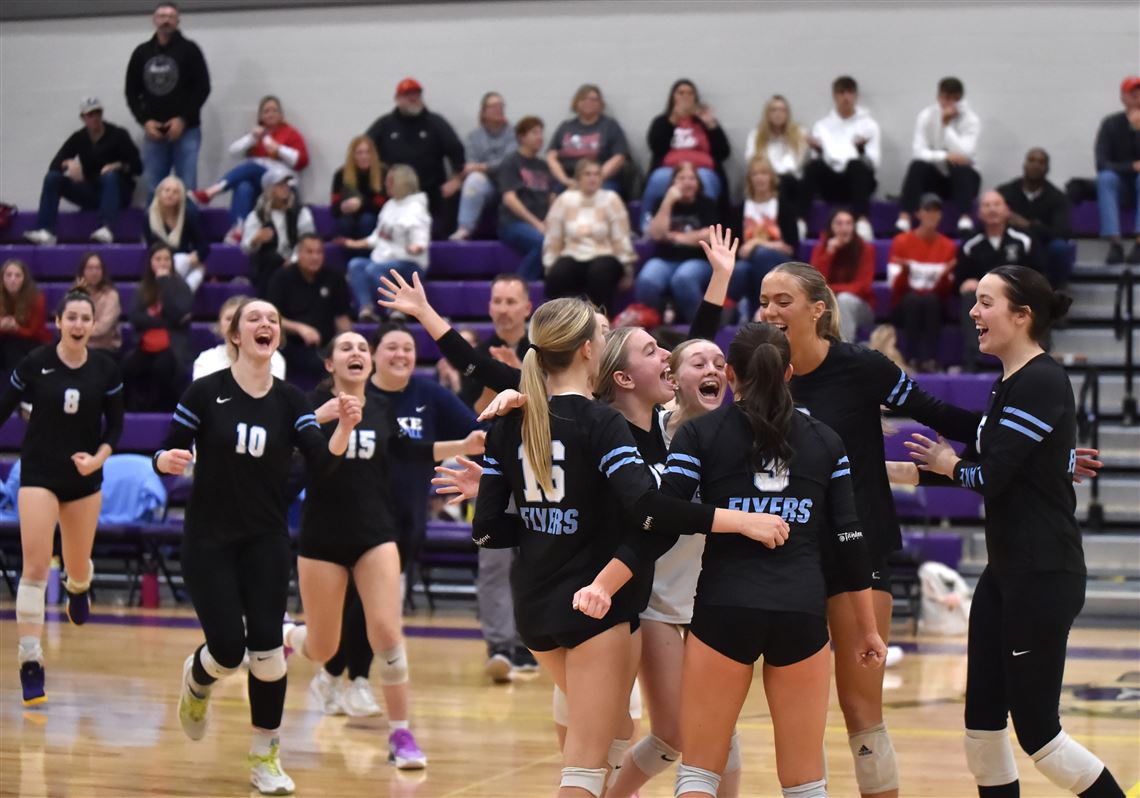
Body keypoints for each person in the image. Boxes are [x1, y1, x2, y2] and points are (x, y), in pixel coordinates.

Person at [471, 296, 790, 798]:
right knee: (586, 765)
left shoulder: (511, 422)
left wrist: (547, 526)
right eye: (601, 336)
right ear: (586, 351)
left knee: (616, 735)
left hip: (534, 604)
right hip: (603, 600)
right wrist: (740, 522)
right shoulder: (602, 423)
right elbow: (649, 509)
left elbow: (487, 529)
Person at [901, 266, 1126, 798]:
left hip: (1042, 574)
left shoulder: (1041, 380)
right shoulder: (1013, 382)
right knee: (982, 729)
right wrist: (895, 391)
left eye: (986, 303)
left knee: (1040, 736)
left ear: (1022, 315)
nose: (974, 313)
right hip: (1006, 574)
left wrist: (948, 465)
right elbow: (980, 433)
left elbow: (992, 476)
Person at [758, 261, 981, 798]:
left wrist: (1029, 442)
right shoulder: (760, 374)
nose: (769, 312)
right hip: (787, 553)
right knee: (795, 709)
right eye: (764, 301)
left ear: (818, 309)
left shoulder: (862, 367)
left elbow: (940, 413)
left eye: (782, 300)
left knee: (862, 709)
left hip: (860, 549)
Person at [657, 322, 886, 798]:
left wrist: (732, 518)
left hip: (724, 608)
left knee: (700, 771)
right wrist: (867, 628)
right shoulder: (826, 440)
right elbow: (849, 540)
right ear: (789, 371)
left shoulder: (701, 433)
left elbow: (663, 512)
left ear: (731, 373)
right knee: (805, 781)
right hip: (801, 612)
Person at [154, 298, 360, 795]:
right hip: (208, 539)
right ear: (236, 336)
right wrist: (167, 460)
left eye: (272, 319)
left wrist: (345, 429)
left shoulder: (291, 401)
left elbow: (320, 466)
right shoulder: (206, 393)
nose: (265, 324)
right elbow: (164, 447)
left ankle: (265, 756)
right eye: (254, 319)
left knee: (268, 653)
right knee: (227, 652)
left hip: (265, 538)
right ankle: (198, 678)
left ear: (277, 338)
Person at [283, 330, 484, 768]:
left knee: (388, 633)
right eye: (345, 348)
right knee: (321, 647)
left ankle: (401, 735)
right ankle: (283, 635)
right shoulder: (308, 412)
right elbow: (305, 465)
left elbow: (409, 450)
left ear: (369, 364)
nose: (355, 353)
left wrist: (462, 446)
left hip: (375, 533)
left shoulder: (380, 407)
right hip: (321, 538)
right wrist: (330, 420)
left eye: (361, 347)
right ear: (329, 364)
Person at [0, 290, 123, 706]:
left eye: (85, 318)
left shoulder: (106, 369)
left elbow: (116, 428)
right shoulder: (35, 363)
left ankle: (79, 585)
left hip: (85, 476)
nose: (77, 325)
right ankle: (30, 659)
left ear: (93, 324)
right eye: (70, 317)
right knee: (35, 566)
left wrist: (99, 459)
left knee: (76, 563)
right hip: (38, 473)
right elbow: (4, 407)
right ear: (58, 320)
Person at [23, 97, 142, 246]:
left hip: (118, 192)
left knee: (109, 176)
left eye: (98, 113)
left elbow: (138, 167)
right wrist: (68, 163)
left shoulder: (118, 134)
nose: (95, 118)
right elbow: (55, 164)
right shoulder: (79, 138)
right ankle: (46, 231)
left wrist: (118, 165)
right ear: (83, 118)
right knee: (53, 178)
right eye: (90, 115)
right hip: (92, 192)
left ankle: (106, 228)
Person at [192, 95, 310, 239]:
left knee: (251, 166)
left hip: (284, 184)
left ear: (281, 114)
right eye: (266, 111)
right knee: (243, 186)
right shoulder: (256, 136)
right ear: (260, 116)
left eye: (274, 110)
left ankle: (212, 191)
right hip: (261, 186)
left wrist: (279, 149)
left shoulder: (291, 133)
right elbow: (233, 151)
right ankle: (239, 229)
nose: (271, 114)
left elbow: (302, 160)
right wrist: (252, 138)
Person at [125, 2, 211, 195]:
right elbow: (131, 92)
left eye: (171, 16)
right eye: (162, 16)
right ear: (154, 20)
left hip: (186, 131)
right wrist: (144, 121)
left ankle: (188, 226)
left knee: (187, 188)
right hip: (154, 132)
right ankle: (152, 226)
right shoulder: (141, 53)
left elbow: (203, 88)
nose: (166, 20)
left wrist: (183, 119)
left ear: (178, 21)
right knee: (154, 189)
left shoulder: (190, 50)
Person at [366, 77, 465, 235]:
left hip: (429, 191)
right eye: (407, 95)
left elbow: (456, 150)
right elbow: (365, 148)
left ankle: (444, 243)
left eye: (416, 94)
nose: (413, 98)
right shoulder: (385, 124)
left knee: (452, 195)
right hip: (393, 192)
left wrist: (456, 178)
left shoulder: (435, 122)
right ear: (397, 99)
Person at [542, 159, 637, 311]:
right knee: (559, 274)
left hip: (604, 254)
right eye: (588, 174)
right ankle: (560, 322)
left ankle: (602, 321)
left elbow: (621, 237)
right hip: (572, 253)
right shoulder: (564, 200)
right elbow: (554, 237)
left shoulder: (611, 199)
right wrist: (550, 265)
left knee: (599, 273)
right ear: (578, 178)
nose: (593, 178)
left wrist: (628, 269)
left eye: (597, 174)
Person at [957, 191, 1035, 372]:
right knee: (969, 297)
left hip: (1016, 295)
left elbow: (1038, 272)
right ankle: (973, 359)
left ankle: (1031, 358)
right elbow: (959, 280)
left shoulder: (1024, 240)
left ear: (1007, 210)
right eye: (987, 205)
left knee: (1034, 298)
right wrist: (966, 282)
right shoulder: (970, 244)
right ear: (979, 213)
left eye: (997, 204)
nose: (992, 209)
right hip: (983, 300)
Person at [635, 162, 721, 323]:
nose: (687, 182)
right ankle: (656, 324)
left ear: (698, 183)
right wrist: (668, 202)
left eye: (692, 178)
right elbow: (656, 234)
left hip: (698, 260)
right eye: (681, 178)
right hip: (665, 259)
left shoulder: (706, 203)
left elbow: (709, 235)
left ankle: (698, 325)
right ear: (673, 183)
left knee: (683, 278)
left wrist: (675, 237)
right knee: (647, 280)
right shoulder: (662, 202)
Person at [344, 165, 431, 320]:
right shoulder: (389, 205)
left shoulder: (416, 208)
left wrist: (417, 246)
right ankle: (366, 309)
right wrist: (356, 243)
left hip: (409, 263)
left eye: (390, 181)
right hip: (383, 259)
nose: (386, 184)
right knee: (355, 265)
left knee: (373, 269)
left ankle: (397, 309)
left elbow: (420, 237)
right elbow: (378, 236)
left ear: (402, 183)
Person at [896, 77, 982, 235]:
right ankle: (904, 218)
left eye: (955, 99)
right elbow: (918, 151)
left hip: (963, 181)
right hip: (935, 179)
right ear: (938, 97)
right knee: (917, 166)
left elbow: (964, 154)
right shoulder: (926, 116)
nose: (950, 104)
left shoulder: (971, 120)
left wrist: (946, 126)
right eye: (946, 98)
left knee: (961, 167)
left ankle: (965, 219)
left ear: (961, 99)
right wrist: (944, 156)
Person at [802, 76, 881, 240]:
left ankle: (862, 222)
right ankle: (800, 221)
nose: (846, 97)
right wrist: (818, 150)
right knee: (813, 166)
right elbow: (818, 160)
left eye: (850, 93)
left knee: (856, 165)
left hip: (858, 181)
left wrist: (861, 150)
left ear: (856, 96)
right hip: (832, 182)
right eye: (841, 93)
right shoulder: (822, 125)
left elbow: (874, 162)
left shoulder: (869, 125)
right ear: (834, 96)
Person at [642, 79, 729, 228]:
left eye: (690, 93)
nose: (685, 97)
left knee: (705, 180)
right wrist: (674, 119)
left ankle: (707, 229)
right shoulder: (662, 121)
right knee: (657, 179)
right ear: (673, 97)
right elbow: (656, 147)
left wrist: (711, 125)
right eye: (681, 93)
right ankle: (646, 227)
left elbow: (723, 152)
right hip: (670, 170)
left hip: (702, 170)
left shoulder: (704, 122)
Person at [265, 234, 351, 381]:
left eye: (319, 252)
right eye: (309, 252)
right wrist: (300, 328)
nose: (315, 257)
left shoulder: (334, 277)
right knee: (319, 365)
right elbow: (270, 316)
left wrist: (349, 341)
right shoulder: (282, 277)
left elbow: (342, 316)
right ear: (298, 253)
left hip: (326, 344)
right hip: (290, 344)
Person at [887, 193, 957, 372]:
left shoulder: (948, 246)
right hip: (905, 304)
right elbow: (895, 288)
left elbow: (944, 292)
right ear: (918, 214)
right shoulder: (901, 241)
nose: (932, 215)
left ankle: (930, 359)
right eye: (927, 210)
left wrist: (944, 276)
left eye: (936, 211)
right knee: (913, 300)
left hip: (934, 305)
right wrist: (905, 272)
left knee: (931, 301)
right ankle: (911, 359)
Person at [122, 243, 192, 412]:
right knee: (126, 367)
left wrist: (164, 283)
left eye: (167, 259)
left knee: (162, 368)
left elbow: (180, 314)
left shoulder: (180, 285)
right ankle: (130, 412)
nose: (162, 263)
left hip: (172, 344)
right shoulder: (143, 287)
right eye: (158, 259)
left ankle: (163, 411)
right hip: (146, 344)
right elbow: (135, 317)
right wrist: (164, 322)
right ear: (150, 262)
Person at [998, 148, 1074, 289]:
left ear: (1047, 168)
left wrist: (1029, 225)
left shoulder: (1057, 197)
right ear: (1024, 165)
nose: (1035, 165)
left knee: (1060, 248)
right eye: (1031, 160)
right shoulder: (1006, 192)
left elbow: (1062, 232)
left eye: (1041, 162)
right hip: (1013, 245)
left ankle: (1052, 290)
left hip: (1043, 246)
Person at [736, 155, 799, 317]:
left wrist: (756, 242)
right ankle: (743, 316)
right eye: (755, 174)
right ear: (749, 179)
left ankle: (763, 309)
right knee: (740, 270)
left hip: (781, 262)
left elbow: (791, 248)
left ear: (772, 177)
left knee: (762, 255)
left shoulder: (784, 206)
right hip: (748, 261)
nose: (760, 178)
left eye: (764, 173)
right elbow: (738, 250)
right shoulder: (739, 209)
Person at [498, 116, 556, 280]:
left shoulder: (543, 165)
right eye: (534, 132)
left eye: (541, 132)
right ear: (521, 137)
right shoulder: (511, 162)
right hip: (513, 223)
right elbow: (510, 199)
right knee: (543, 242)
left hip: (542, 222)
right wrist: (536, 223)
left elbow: (552, 196)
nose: (540, 137)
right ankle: (520, 285)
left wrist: (548, 220)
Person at [241, 170, 316, 296]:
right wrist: (256, 240)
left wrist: (294, 259)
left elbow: (309, 240)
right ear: (269, 189)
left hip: (297, 261)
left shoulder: (301, 212)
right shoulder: (257, 215)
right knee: (271, 259)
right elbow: (245, 247)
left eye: (286, 184)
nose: (285, 188)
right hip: (269, 267)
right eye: (280, 185)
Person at [451, 92, 514, 241]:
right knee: (473, 180)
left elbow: (507, 162)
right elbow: (469, 164)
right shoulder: (473, 137)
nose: (498, 109)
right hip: (486, 183)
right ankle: (464, 229)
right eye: (493, 106)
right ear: (484, 112)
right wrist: (482, 168)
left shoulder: (513, 133)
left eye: (501, 105)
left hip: (509, 182)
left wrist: (482, 167)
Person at [546, 84, 630, 194]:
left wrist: (594, 179)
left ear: (600, 104)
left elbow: (619, 157)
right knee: (552, 194)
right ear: (576, 103)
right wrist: (565, 180)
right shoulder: (565, 127)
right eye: (584, 99)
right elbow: (551, 157)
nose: (589, 102)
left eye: (594, 99)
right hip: (569, 180)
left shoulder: (610, 126)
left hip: (601, 180)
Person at [809, 208, 876, 343]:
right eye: (839, 224)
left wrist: (831, 290)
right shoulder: (821, 249)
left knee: (844, 300)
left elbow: (863, 286)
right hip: (828, 304)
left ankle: (845, 349)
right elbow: (815, 283)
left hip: (860, 306)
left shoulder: (866, 249)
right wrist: (829, 253)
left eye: (848, 223)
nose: (844, 228)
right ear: (831, 227)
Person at [1095, 75, 1140, 265]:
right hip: (1119, 184)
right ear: (1123, 97)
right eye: (1133, 93)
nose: (1138, 96)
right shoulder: (1111, 123)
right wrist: (1130, 167)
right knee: (1105, 178)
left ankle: (1139, 244)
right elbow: (1102, 162)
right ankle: (1115, 244)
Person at [744, 95, 809, 225]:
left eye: (782, 110)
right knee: (761, 180)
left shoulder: (800, 133)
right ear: (767, 114)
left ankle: (793, 222)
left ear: (788, 114)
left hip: (792, 181)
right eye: (774, 110)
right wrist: (767, 173)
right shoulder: (756, 135)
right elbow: (752, 160)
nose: (778, 114)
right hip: (766, 178)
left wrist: (770, 171)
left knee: (783, 181)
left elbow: (794, 164)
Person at [192, 294, 285, 381]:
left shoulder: (274, 358)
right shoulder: (206, 359)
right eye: (229, 318)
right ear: (219, 326)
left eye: (239, 318)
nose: (234, 324)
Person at [145, 175, 210, 293]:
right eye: (167, 190)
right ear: (159, 193)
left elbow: (204, 247)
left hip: (183, 263)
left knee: (180, 261)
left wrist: (196, 256)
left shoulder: (188, 216)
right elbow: (151, 248)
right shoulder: (149, 217)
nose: (170, 194)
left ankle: (180, 296)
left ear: (181, 197)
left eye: (175, 192)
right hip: (159, 263)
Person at [1, 260, 52, 377]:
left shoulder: (36, 297)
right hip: (6, 342)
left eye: (17, 275)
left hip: (34, 343)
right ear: (2, 278)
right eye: (8, 275)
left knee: (13, 345)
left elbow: (33, 332)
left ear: (24, 279)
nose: (12, 279)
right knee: (9, 343)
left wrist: (15, 328)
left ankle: (15, 385)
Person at [330, 135, 387, 241]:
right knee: (345, 222)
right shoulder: (341, 174)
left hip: (373, 215)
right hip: (349, 216)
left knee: (367, 220)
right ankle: (348, 255)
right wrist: (342, 207)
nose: (364, 156)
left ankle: (364, 254)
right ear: (353, 156)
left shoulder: (382, 173)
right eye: (359, 153)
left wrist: (361, 203)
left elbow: (383, 206)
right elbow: (334, 208)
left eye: (367, 152)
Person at [73, 252, 122, 355]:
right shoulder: (74, 293)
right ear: (82, 272)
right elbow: (65, 322)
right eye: (90, 268)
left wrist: (77, 330)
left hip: (104, 348)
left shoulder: (111, 295)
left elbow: (102, 329)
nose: (94, 272)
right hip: (77, 346)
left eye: (98, 268)